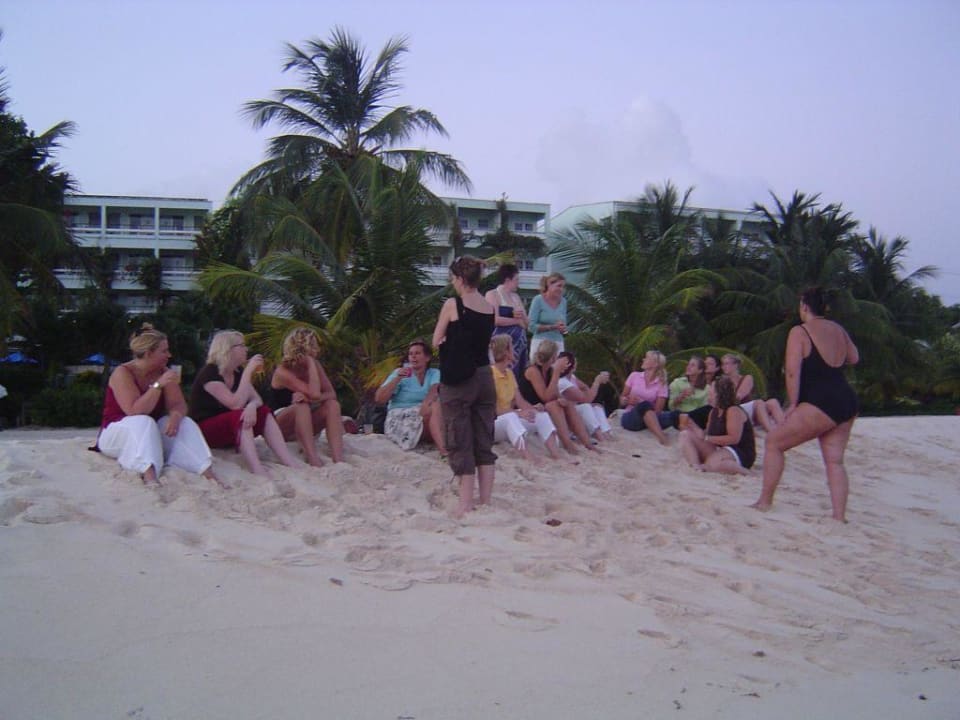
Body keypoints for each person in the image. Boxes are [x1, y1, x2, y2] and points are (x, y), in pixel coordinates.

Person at [752, 287, 859, 521]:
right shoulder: (839, 329)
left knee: (774, 443)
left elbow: (792, 372)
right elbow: (854, 358)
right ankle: (839, 516)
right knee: (835, 461)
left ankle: (765, 501)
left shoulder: (799, 332)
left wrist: (793, 404)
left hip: (820, 400)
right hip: (846, 398)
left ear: (804, 306)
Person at [96, 323, 219, 486]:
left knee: (185, 423)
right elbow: (135, 410)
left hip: (148, 432)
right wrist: (157, 386)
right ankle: (149, 474)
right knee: (143, 422)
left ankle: (205, 471)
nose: (169, 355)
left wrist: (175, 415)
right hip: (116, 433)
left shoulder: (163, 373)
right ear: (148, 353)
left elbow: (179, 405)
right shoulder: (123, 373)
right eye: (164, 351)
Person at [189, 330, 302, 485]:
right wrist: (249, 371)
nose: (246, 349)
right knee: (239, 415)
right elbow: (234, 404)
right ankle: (256, 468)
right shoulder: (210, 374)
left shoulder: (237, 372)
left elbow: (257, 399)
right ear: (227, 349)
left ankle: (287, 459)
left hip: (232, 426)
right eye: (241, 346)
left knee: (263, 412)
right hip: (206, 430)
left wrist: (251, 406)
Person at [433, 256, 497, 518]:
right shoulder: (489, 306)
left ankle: (465, 503)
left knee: (460, 439)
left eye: (452, 277)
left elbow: (436, 340)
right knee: (484, 439)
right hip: (485, 376)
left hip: (460, 378)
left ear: (460, 279)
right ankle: (486, 500)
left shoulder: (453, 304)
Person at [269, 327, 345, 466]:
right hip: (280, 423)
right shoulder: (283, 371)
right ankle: (312, 457)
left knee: (332, 405)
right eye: (314, 346)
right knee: (301, 405)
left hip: (306, 422)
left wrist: (310, 397)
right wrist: (310, 362)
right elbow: (315, 393)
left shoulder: (314, 366)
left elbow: (331, 394)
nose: (318, 350)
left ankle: (338, 458)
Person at [489, 335, 564, 461]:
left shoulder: (509, 373)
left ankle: (556, 454)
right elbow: (494, 410)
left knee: (540, 415)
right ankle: (528, 456)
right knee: (511, 417)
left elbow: (520, 401)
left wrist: (531, 409)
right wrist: (519, 414)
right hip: (493, 424)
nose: (515, 350)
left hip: (509, 418)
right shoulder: (490, 374)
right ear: (505, 352)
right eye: (512, 347)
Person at [519, 340, 598, 456]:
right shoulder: (533, 371)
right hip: (529, 407)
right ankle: (568, 444)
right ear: (552, 357)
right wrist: (556, 372)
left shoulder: (549, 371)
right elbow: (545, 397)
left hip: (542, 407)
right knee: (552, 405)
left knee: (567, 404)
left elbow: (555, 394)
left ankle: (587, 442)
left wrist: (561, 399)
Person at [374, 339, 446, 455]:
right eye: (411, 354)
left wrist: (425, 405)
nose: (413, 357)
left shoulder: (433, 373)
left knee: (437, 405)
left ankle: (442, 444)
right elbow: (379, 399)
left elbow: (434, 390)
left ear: (427, 358)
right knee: (435, 407)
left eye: (417, 353)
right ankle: (444, 450)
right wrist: (397, 378)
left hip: (424, 412)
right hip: (400, 417)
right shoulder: (399, 373)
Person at [678, 375, 755, 474]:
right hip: (720, 449)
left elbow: (734, 439)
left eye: (711, 393)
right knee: (685, 435)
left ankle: (743, 471)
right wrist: (694, 428)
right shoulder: (713, 412)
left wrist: (706, 438)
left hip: (739, 451)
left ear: (720, 394)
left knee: (711, 463)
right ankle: (695, 466)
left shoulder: (733, 410)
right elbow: (708, 434)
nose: (708, 396)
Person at [556, 350, 614, 442]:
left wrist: (583, 397)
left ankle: (605, 432)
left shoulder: (572, 377)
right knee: (586, 407)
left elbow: (585, 388)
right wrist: (597, 382)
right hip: (568, 413)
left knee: (597, 407)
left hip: (575, 408)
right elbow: (587, 399)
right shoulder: (562, 382)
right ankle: (598, 434)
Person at [485, 263, 529, 382]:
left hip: (518, 342)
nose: (517, 283)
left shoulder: (516, 297)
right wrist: (515, 320)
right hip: (500, 343)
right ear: (507, 280)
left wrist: (521, 316)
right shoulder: (492, 294)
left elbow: (526, 322)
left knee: (517, 376)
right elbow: (495, 320)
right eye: (516, 280)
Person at [720, 353, 785, 432]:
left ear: (735, 365)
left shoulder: (746, 378)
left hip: (748, 408)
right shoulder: (722, 381)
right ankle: (771, 431)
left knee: (773, 402)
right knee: (758, 403)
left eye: (726, 364)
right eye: (723, 364)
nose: (724, 367)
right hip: (738, 410)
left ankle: (784, 428)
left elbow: (739, 396)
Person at [619, 350, 671, 446]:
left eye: (646, 358)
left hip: (651, 416)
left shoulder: (661, 382)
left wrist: (641, 402)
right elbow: (622, 398)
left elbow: (658, 410)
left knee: (672, 415)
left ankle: (652, 425)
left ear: (655, 364)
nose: (643, 359)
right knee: (645, 405)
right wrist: (625, 401)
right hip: (632, 417)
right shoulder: (634, 376)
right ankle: (662, 437)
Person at [660, 355, 709, 429]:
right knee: (671, 415)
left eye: (692, 365)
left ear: (700, 370)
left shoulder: (707, 388)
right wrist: (681, 396)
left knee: (707, 410)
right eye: (688, 364)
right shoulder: (677, 382)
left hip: (694, 417)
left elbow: (703, 410)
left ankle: (686, 424)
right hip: (678, 414)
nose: (688, 367)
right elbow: (671, 406)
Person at [527, 272, 567, 361]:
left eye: (563, 287)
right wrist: (552, 327)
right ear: (549, 285)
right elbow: (531, 326)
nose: (561, 289)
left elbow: (564, 326)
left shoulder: (563, 301)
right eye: (559, 286)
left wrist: (563, 329)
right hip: (541, 343)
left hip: (558, 343)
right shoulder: (538, 300)